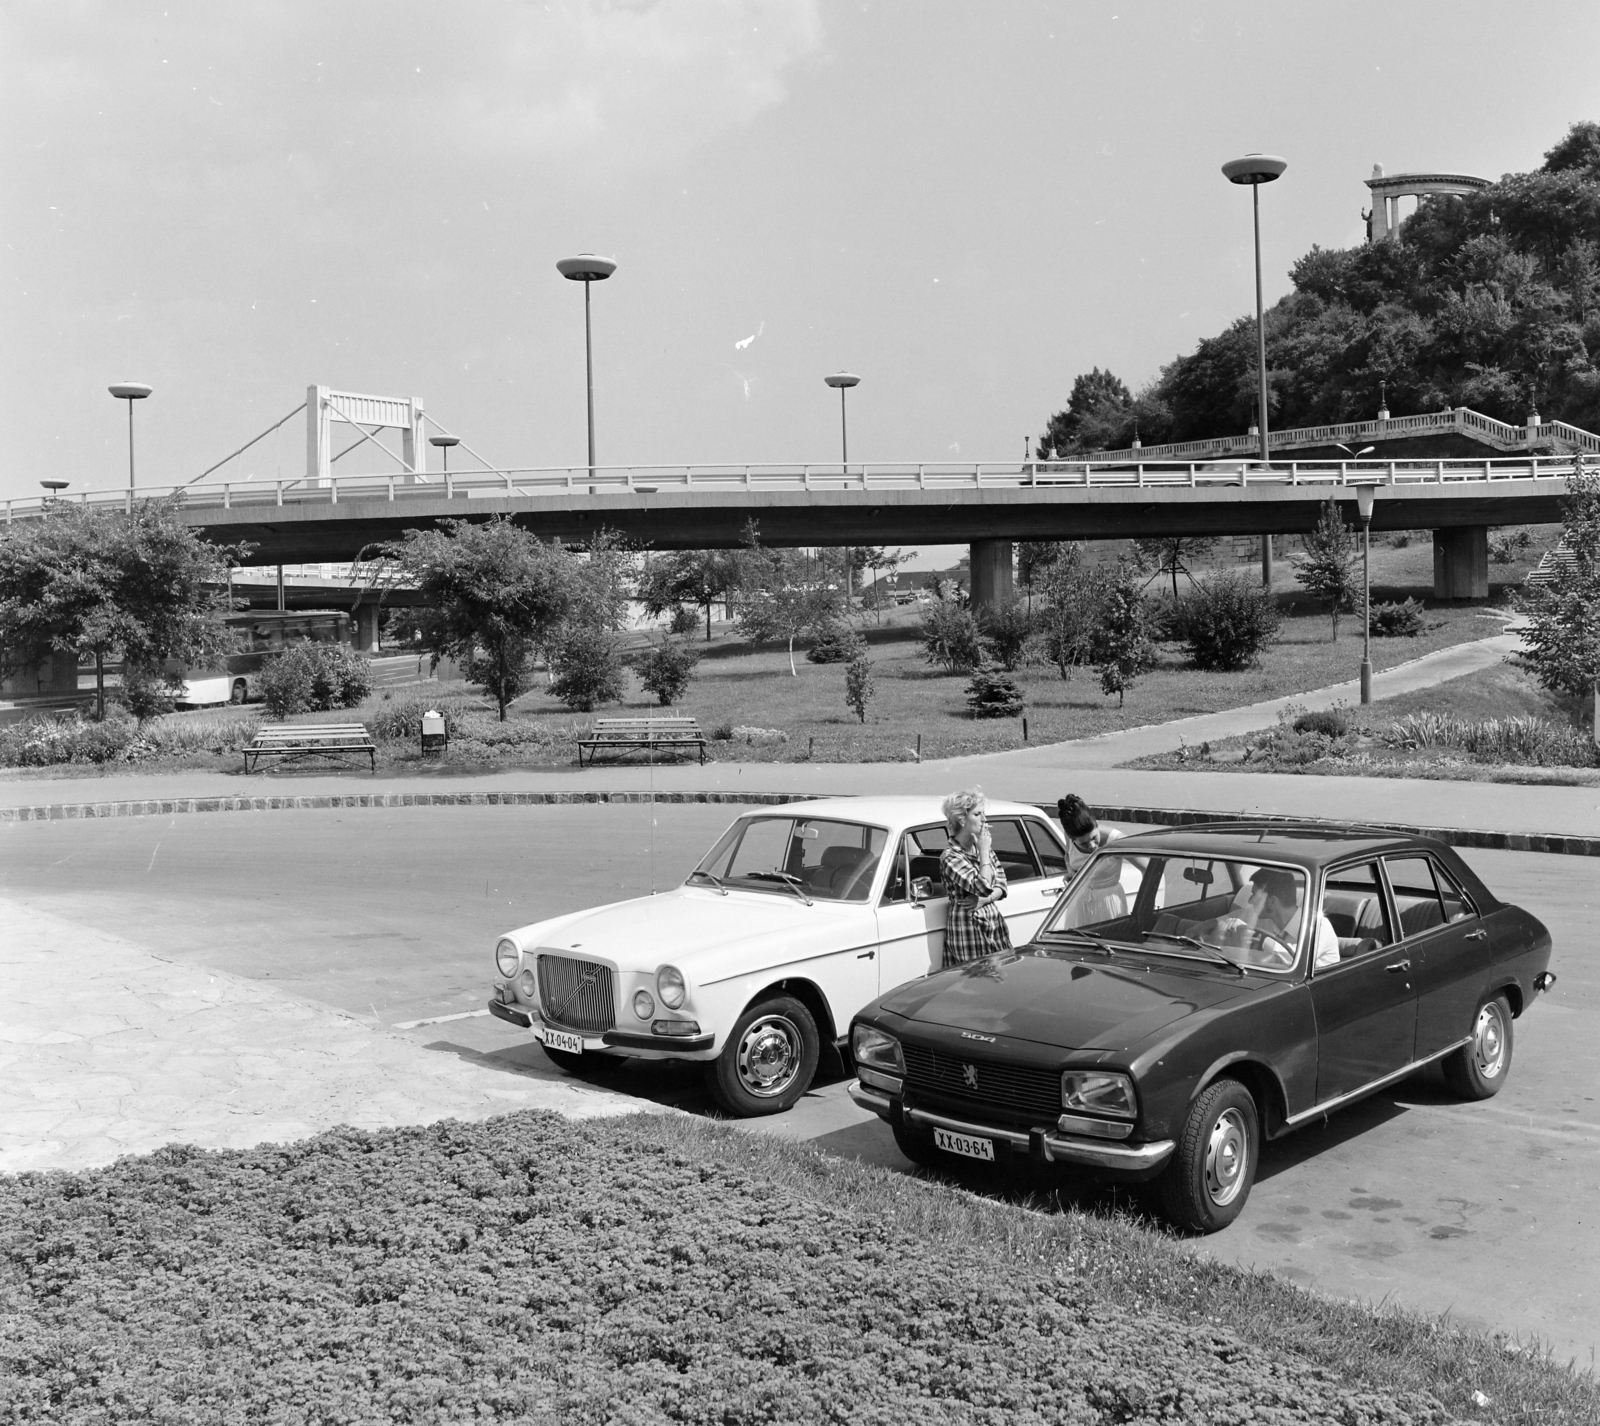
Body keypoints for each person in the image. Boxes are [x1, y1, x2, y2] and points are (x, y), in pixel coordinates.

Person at [938, 788, 1011, 966]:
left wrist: (985, 900)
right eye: (977, 814)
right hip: (969, 929)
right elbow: (982, 887)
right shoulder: (951, 856)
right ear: (962, 819)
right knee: (977, 977)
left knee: (1002, 976)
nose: (984, 819)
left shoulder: (982, 847)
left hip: (994, 925)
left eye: (983, 814)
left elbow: (1002, 884)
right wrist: (984, 852)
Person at [1058, 794, 1121, 859]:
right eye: (1084, 843)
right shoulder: (1069, 836)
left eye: (1094, 837)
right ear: (1071, 838)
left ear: (1097, 824)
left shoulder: (1116, 840)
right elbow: (1067, 856)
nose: (1092, 846)